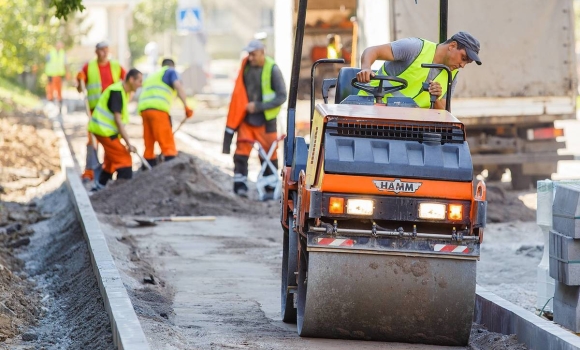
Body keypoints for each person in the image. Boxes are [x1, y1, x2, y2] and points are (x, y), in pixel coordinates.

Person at [222, 39, 287, 197]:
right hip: (247, 119)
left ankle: (270, 188)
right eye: (249, 54)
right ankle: (240, 186)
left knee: (269, 155)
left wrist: (257, 106)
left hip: (266, 121)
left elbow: (282, 96)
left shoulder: (273, 69)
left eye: (253, 54)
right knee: (241, 152)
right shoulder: (246, 67)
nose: (250, 58)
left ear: (262, 52)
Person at [355, 31, 482, 109]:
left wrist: (436, 98)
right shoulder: (414, 48)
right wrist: (366, 68)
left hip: (408, 125)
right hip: (370, 107)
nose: (463, 65)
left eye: (467, 62)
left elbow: (443, 113)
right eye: (463, 58)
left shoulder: (451, 75)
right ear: (452, 46)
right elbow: (373, 51)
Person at [77, 41, 127, 182]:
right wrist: (79, 80)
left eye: (106, 50)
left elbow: (128, 82)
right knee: (92, 140)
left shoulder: (116, 66)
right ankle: (90, 170)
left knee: (111, 140)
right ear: (96, 51)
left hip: (112, 111)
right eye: (101, 50)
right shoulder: (89, 67)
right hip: (95, 112)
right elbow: (80, 88)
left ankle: (109, 168)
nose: (104, 53)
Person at [87, 69, 143, 191]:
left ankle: (99, 186)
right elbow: (118, 121)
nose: (141, 84)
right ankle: (122, 192)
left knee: (111, 160)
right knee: (124, 159)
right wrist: (128, 143)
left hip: (104, 130)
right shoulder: (117, 92)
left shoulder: (122, 91)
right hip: (104, 131)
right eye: (139, 81)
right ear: (131, 79)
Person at [137, 58, 194, 166]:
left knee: (149, 143)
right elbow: (178, 87)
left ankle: (148, 167)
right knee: (167, 143)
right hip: (158, 109)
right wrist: (186, 106)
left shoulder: (153, 75)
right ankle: (171, 166)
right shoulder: (171, 71)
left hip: (144, 109)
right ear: (172, 65)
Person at [45, 42, 67, 106]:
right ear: (56, 46)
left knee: (59, 89)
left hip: (59, 75)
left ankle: (59, 101)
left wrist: (67, 73)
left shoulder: (63, 53)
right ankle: (50, 101)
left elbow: (65, 63)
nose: (59, 47)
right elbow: (46, 61)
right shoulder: (51, 52)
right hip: (51, 74)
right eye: (58, 46)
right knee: (50, 89)